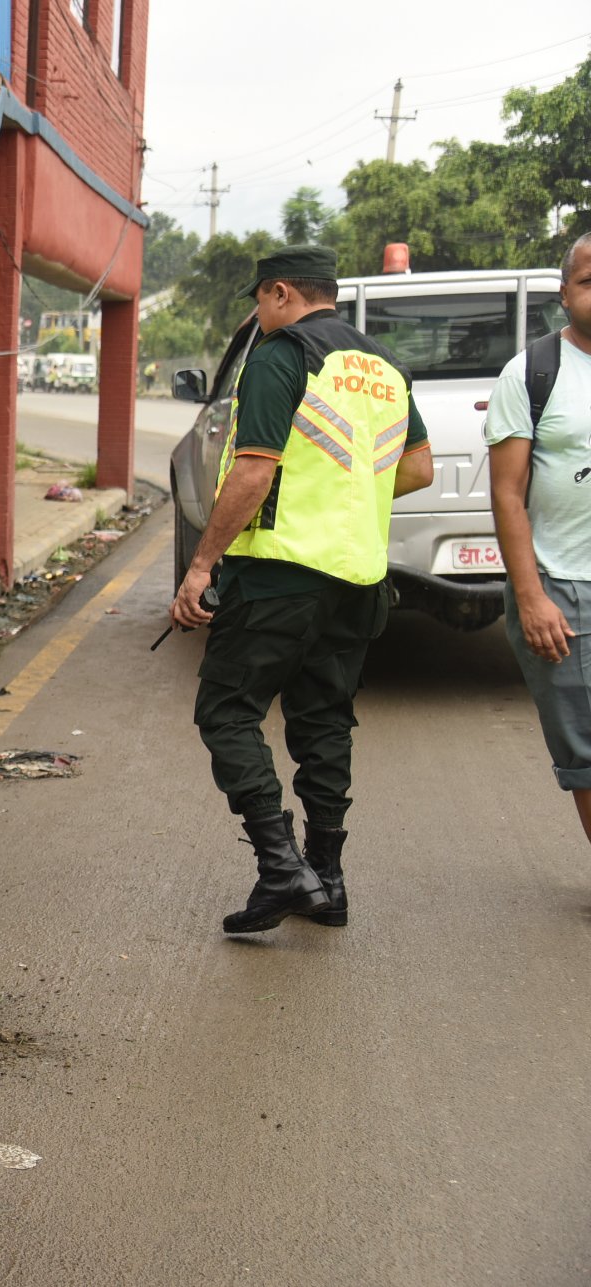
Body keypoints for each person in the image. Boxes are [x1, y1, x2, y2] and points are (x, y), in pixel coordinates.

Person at [170, 245, 434, 934]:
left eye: (260, 301)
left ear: (281, 292)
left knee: (226, 710)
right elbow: (419, 468)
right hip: (358, 578)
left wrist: (201, 565)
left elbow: (254, 470)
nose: (259, 315)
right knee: (323, 721)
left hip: (280, 572)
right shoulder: (384, 366)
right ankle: (329, 879)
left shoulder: (283, 354)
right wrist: (347, 491)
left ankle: (284, 869)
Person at [486, 232, 591, 848]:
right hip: (564, 591)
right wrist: (531, 597)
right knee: (584, 748)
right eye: (588, 281)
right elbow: (506, 493)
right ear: (564, 294)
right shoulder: (530, 372)